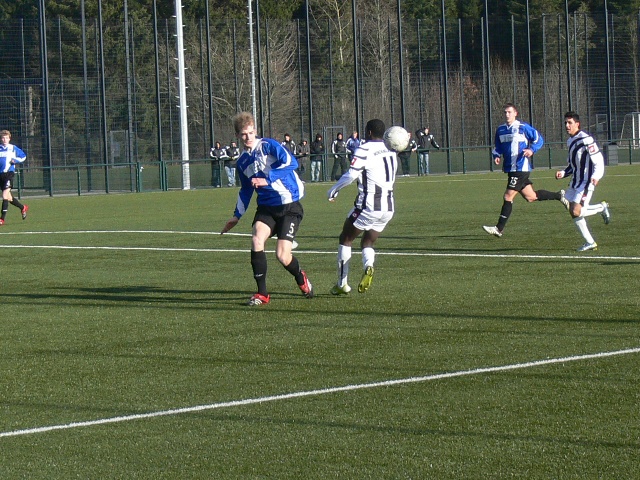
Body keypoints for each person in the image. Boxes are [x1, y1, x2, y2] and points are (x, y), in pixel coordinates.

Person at [220, 112, 313, 306]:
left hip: (289, 205)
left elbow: (291, 162)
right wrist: (236, 216)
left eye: (251, 132)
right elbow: (246, 190)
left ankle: (300, 278)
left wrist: (268, 178)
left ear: (255, 130)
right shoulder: (242, 161)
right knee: (256, 239)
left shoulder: (268, 146)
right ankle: (262, 293)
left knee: (282, 256)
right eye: (244, 134)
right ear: (237, 135)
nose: (248, 137)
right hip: (266, 207)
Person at [327, 119, 397, 295]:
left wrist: (334, 190)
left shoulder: (364, 149)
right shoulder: (391, 150)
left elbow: (351, 175)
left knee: (346, 238)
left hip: (368, 206)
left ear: (369, 132)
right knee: (368, 241)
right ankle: (368, 266)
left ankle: (342, 283)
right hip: (388, 207)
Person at [482, 103, 569, 237]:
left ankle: (499, 229)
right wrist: (496, 155)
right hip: (511, 169)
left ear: (515, 113)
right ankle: (559, 196)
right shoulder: (500, 130)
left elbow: (539, 140)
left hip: (520, 168)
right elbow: (498, 147)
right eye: (505, 112)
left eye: (509, 112)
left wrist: (531, 150)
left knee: (508, 196)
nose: (507, 115)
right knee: (531, 197)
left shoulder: (523, 127)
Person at [556, 111, 610, 252]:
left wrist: (596, 176)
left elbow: (599, 161)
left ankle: (601, 208)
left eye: (570, 123)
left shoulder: (586, 139)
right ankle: (590, 242)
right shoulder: (570, 141)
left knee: (576, 210)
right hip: (575, 181)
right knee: (572, 210)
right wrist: (563, 172)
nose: (567, 125)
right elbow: (572, 165)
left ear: (577, 124)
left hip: (586, 182)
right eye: (565, 123)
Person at [0, 130, 28, 225]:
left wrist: (15, 160)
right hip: (0, 175)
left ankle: (2, 219)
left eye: (6, 138)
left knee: (4, 196)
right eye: (3, 138)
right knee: (9, 198)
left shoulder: (12, 148)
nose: (4, 140)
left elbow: (23, 156)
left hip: (9, 174)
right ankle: (23, 207)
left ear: (9, 138)